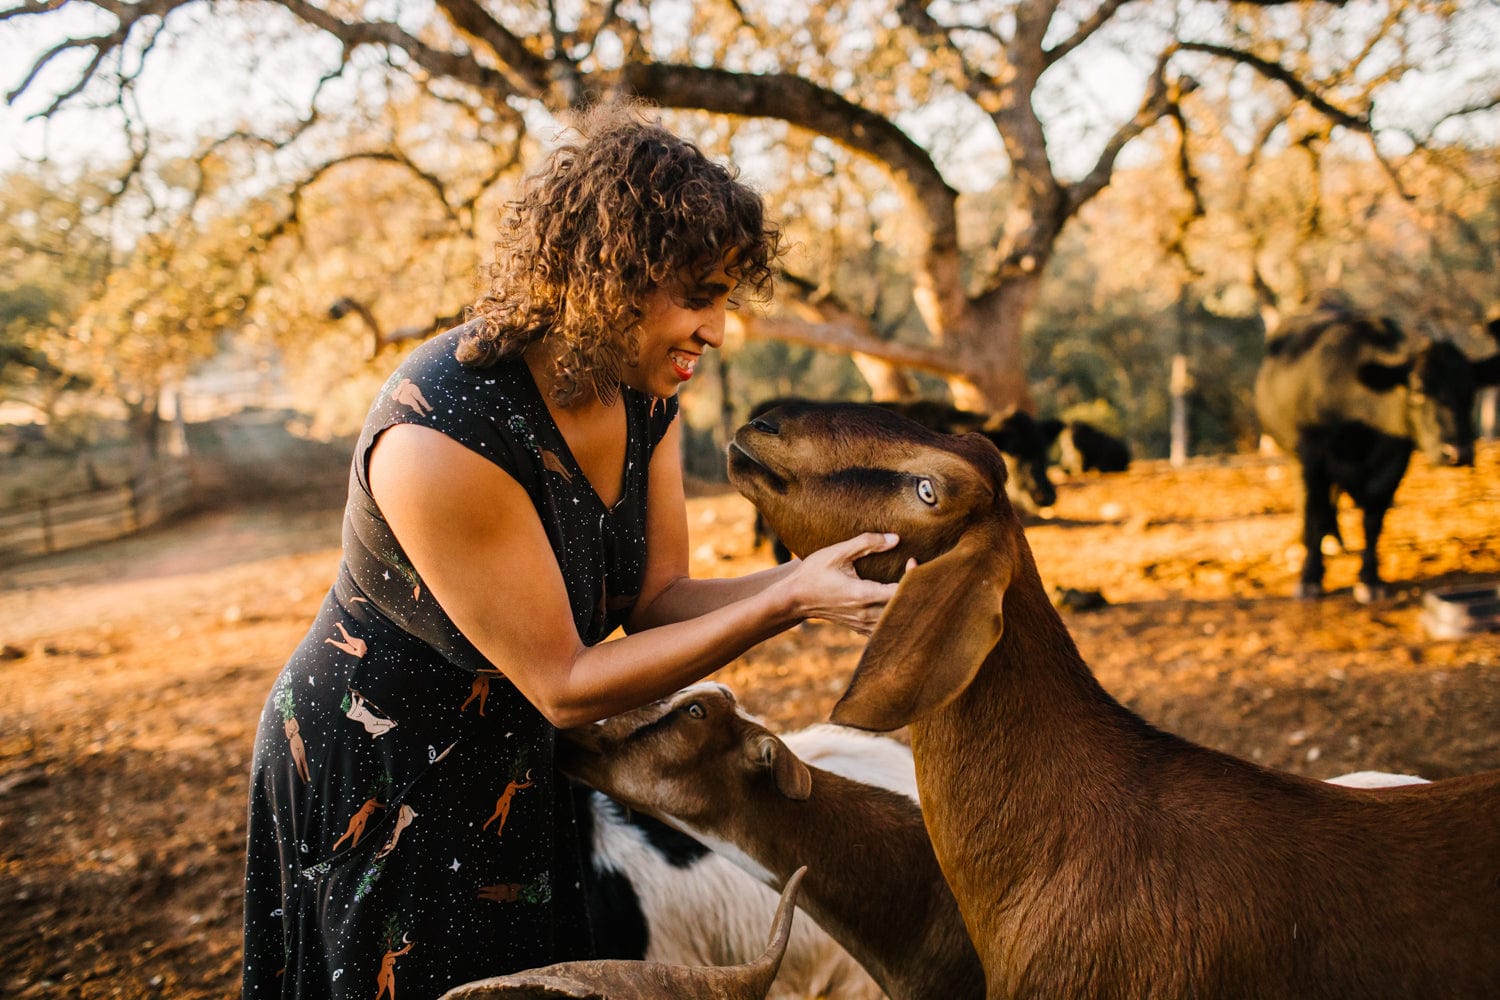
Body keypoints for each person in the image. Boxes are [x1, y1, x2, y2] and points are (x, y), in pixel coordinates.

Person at [241, 102, 902, 999]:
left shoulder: (646, 396)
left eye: (725, 299)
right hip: (383, 769)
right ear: (611, 277)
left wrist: (814, 577)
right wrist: (787, 602)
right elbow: (566, 681)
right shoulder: (442, 435)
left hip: (521, 757)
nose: (717, 331)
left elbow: (658, 600)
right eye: (698, 297)